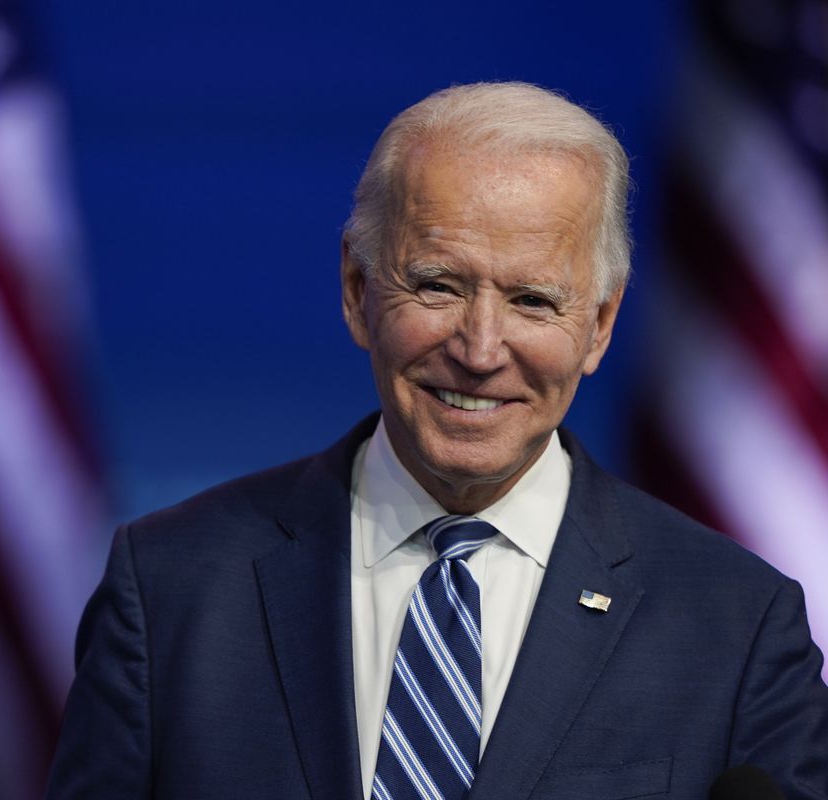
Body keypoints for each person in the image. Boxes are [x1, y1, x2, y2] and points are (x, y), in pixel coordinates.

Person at [46, 82, 828, 800]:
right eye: (439, 286)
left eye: (532, 300)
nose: (481, 350)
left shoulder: (736, 626)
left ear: (598, 326)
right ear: (358, 291)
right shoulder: (171, 590)